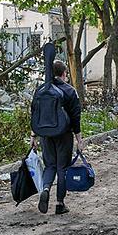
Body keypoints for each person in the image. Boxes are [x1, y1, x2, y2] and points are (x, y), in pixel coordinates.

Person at [30, 60, 83, 214]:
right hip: (64, 135)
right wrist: (79, 139)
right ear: (64, 73)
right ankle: (60, 204)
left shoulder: (41, 90)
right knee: (62, 168)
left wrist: (33, 135)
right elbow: (75, 117)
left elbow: (35, 113)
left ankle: (45, 189)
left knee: (50, 166)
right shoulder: (70, 91)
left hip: (45, 134)